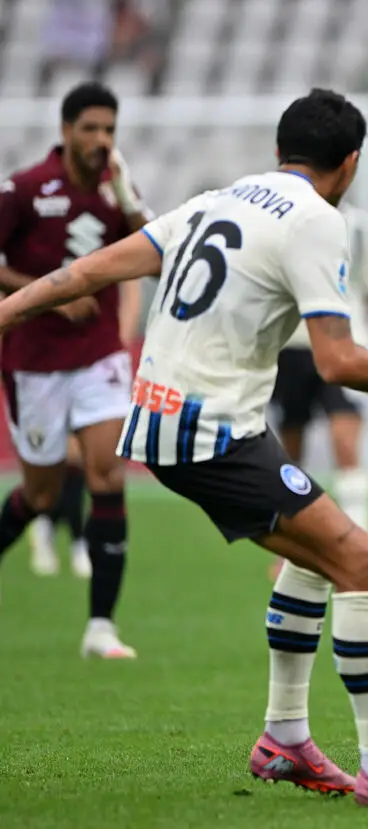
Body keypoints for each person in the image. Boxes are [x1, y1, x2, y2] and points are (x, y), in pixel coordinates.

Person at [0, 88, 368, 809]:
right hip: (209, 431)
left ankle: (284, 737)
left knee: (318, 558)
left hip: (162, 419)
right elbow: (338, 360)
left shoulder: (216, 200)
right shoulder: (318, 220)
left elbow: (91, 269)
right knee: (362, 560)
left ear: (280, 150)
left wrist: (6, 309)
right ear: (349, 164)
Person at [0, 81, 150, 657]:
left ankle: (101, 628)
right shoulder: (26, 188)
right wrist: (48, 294)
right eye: (90, 128)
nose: (100, 139)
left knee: (106, 475)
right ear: (65, 131)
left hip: (97, 356)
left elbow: (151, 245)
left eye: (109, 129)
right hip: (34, 362)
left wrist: (127, 193)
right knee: (39, 494)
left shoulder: (117, 190)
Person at [265, 202, 368, 580]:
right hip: (293, 346)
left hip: (348, 344)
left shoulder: (360, 226)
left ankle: (358, 543)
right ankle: (293, 547)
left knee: (345, 443)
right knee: (291, 453)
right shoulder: (282, 218)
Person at [27, 277, 141, 579]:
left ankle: (77, 539)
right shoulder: (32, 242)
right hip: (39, 359)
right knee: (45, 480)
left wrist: (121, 339)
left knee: (82, 459)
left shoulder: (108, 240)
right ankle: (45, 524)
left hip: (94, 356)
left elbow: (131, 283)